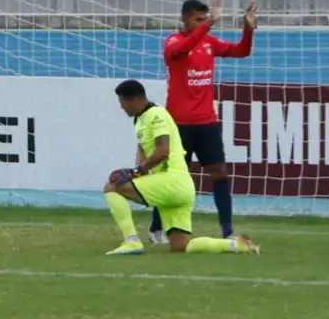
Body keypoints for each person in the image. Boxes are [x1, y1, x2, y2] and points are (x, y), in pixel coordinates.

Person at [103, 79, 259, 256]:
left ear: (135, 100)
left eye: (123, 103)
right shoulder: (140, 120)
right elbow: (143, 151)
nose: (122, 108)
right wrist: (138, 171)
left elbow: (163, 150)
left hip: (172, 181)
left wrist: (137, 172)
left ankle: (131, 241)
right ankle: (235, 245)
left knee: (111, 188)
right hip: (179, 187)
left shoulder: (156, 115)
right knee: (181, 246)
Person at [147, 0, 257, 244]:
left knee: (220, 173)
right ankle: (156, 228)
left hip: (206, 122)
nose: (200, 24)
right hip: (178, 125)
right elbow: (184, 49)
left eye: (203, 19)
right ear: (184, 18)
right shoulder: (172, 43)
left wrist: (248, 29)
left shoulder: (209, 42)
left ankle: (228, 232)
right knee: (173, 180)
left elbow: (242, 51)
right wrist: (210, 24)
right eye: (197, 19)